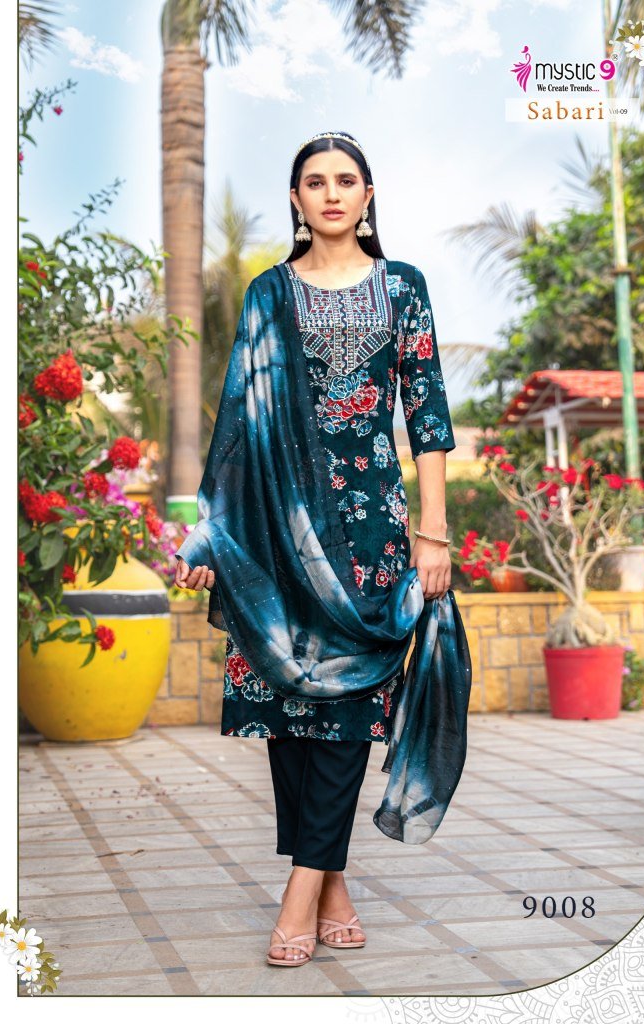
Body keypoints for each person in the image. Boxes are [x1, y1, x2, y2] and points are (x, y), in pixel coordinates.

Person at [174, 131, 462, 968]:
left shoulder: (403, 288)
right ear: (296, 199)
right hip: (277, 530)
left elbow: (428, 416)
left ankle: (299, 892)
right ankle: (331, 885)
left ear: (368, 194)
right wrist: (213, 531)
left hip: (372, 535)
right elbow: (238, 418)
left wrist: (433, 532)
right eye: (314, 182)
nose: (331, 193)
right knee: (289, 706)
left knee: (347, 708)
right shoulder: (269, 293)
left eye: (345, 180)